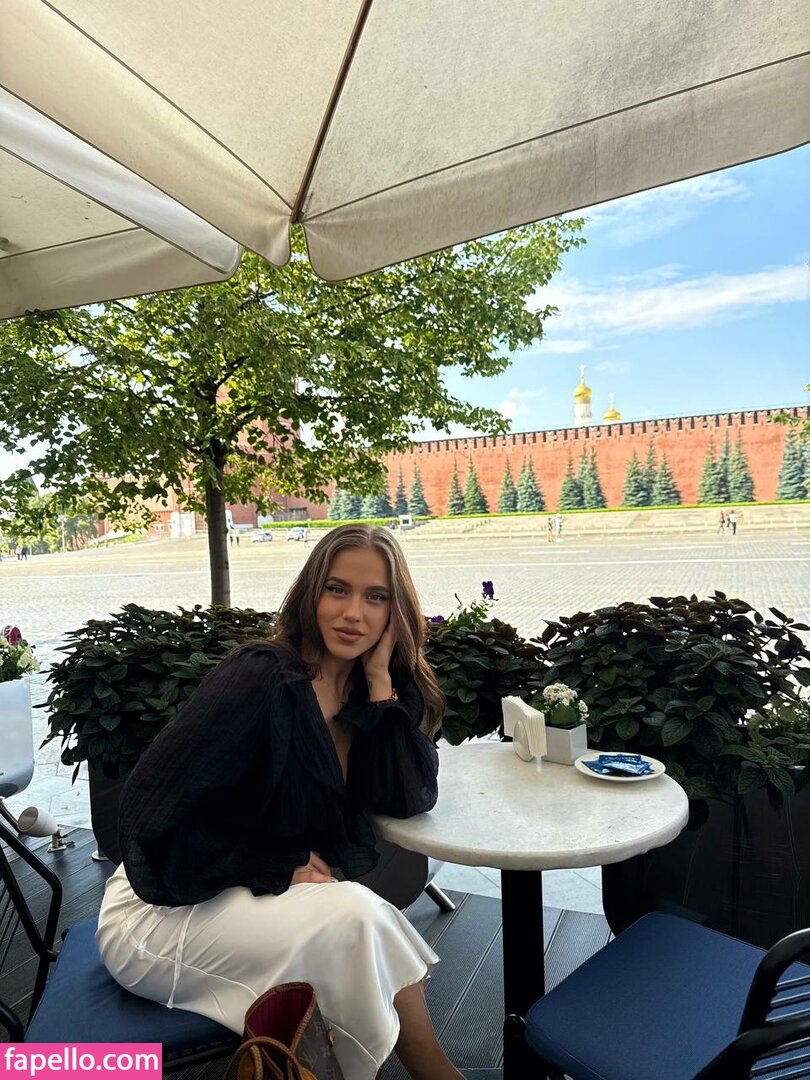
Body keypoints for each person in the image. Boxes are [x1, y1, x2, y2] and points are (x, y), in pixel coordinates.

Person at [96, 525, 463, 1080]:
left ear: (396, 613)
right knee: (357, 915)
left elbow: (409, 795)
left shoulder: (368, 690)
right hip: (162, 909)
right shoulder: (263, 677)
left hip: (244, 900)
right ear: (311, 592)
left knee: (359, 922)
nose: (353, 613)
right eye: (337, 589)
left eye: (376, 597)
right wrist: (273, 864)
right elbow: (148, 815)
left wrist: (380, 682)